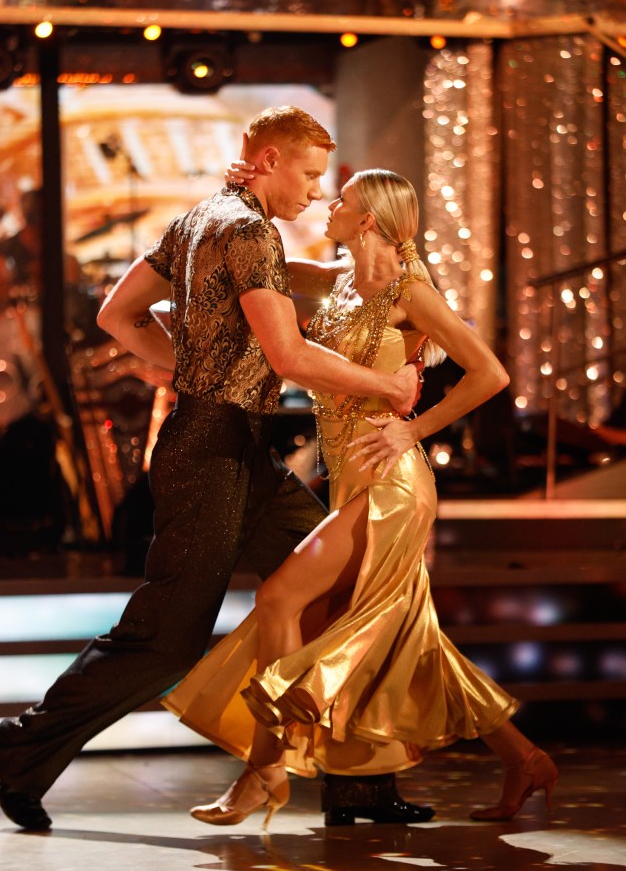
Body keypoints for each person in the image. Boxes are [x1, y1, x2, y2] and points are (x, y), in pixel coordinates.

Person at [0, 107, 428, 831]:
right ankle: (23, 745)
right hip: (211, 453)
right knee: (169, 636)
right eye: (310, 175)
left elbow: (116, 315)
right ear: (270, 159)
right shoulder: (249, 229)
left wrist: (193, 368)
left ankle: (358, 782)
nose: (316, 192)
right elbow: (287, 356)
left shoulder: (199, 219)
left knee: (348, 587)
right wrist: (386, 387)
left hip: (236, 448)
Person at [165, 167, 558, 829]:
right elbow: (253, 256)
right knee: (415, 638)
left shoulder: (411, 291)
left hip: (393, 486)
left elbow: (490, 372)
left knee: (281, 599)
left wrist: (414, 427)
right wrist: (238, 192)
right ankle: (523, 756)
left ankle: (264, 769)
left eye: (340, 199)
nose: (325, 203)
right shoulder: (333, 280)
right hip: (351, 478)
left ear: (368, 218)